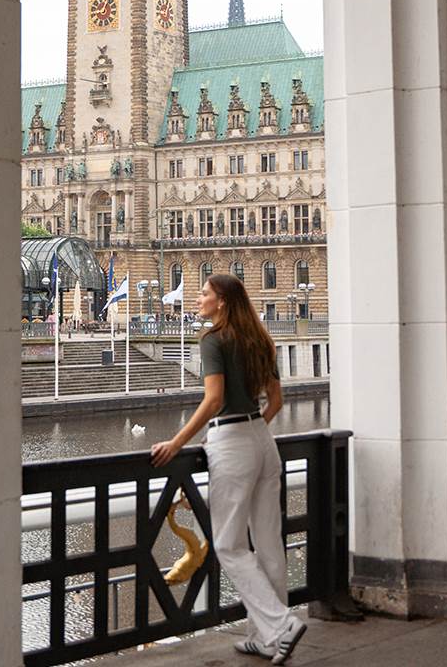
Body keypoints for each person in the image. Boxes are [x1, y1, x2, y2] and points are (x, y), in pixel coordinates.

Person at [151, 275, 307, 664]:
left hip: (232, 442)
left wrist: (177, 442)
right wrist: (253, 433)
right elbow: (276, 401)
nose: (199, 298)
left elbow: (214, 398)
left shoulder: (213, 340)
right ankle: (265, 637)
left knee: (228, 545)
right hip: (262, 440)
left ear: (221, 301)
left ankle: (279, 624)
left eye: (204, 293)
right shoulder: (260, 338)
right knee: (269, 543)